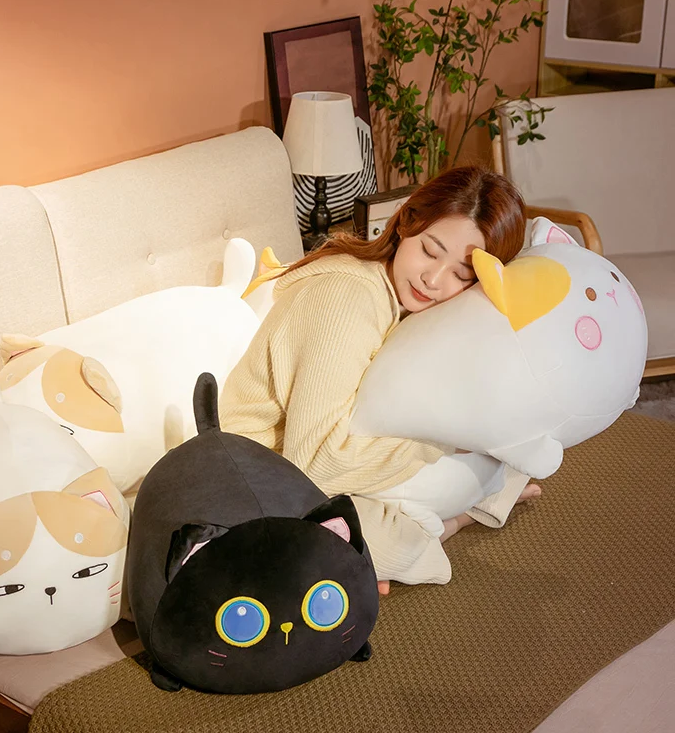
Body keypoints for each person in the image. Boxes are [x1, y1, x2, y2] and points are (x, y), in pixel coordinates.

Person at [220, 165, 541, 594]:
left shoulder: (407, 304)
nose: (433, 279)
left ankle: (454, 507)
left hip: (323, 451)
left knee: (500, 448)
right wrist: (439, 444)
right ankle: (453, 522)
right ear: (406, 221)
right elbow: (315, 462)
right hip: (260, 472)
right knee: (384, 542)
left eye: (462, 275)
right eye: (429, 250)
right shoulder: (348, 298)